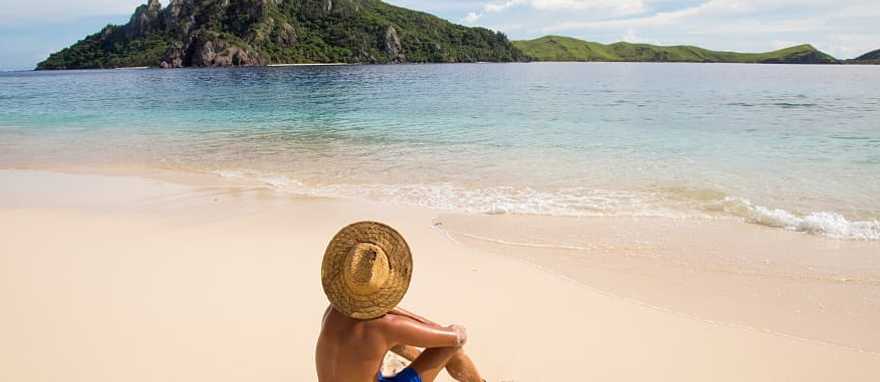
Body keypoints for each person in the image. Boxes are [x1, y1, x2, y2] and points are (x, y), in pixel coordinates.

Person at [316, 221, 484, 382]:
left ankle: (428, 362)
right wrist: (446, 330)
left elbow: (382, 316)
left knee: (389, 342)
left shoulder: (333, 311)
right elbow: (458, 337)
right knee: (451, 347)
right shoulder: (389, 327)